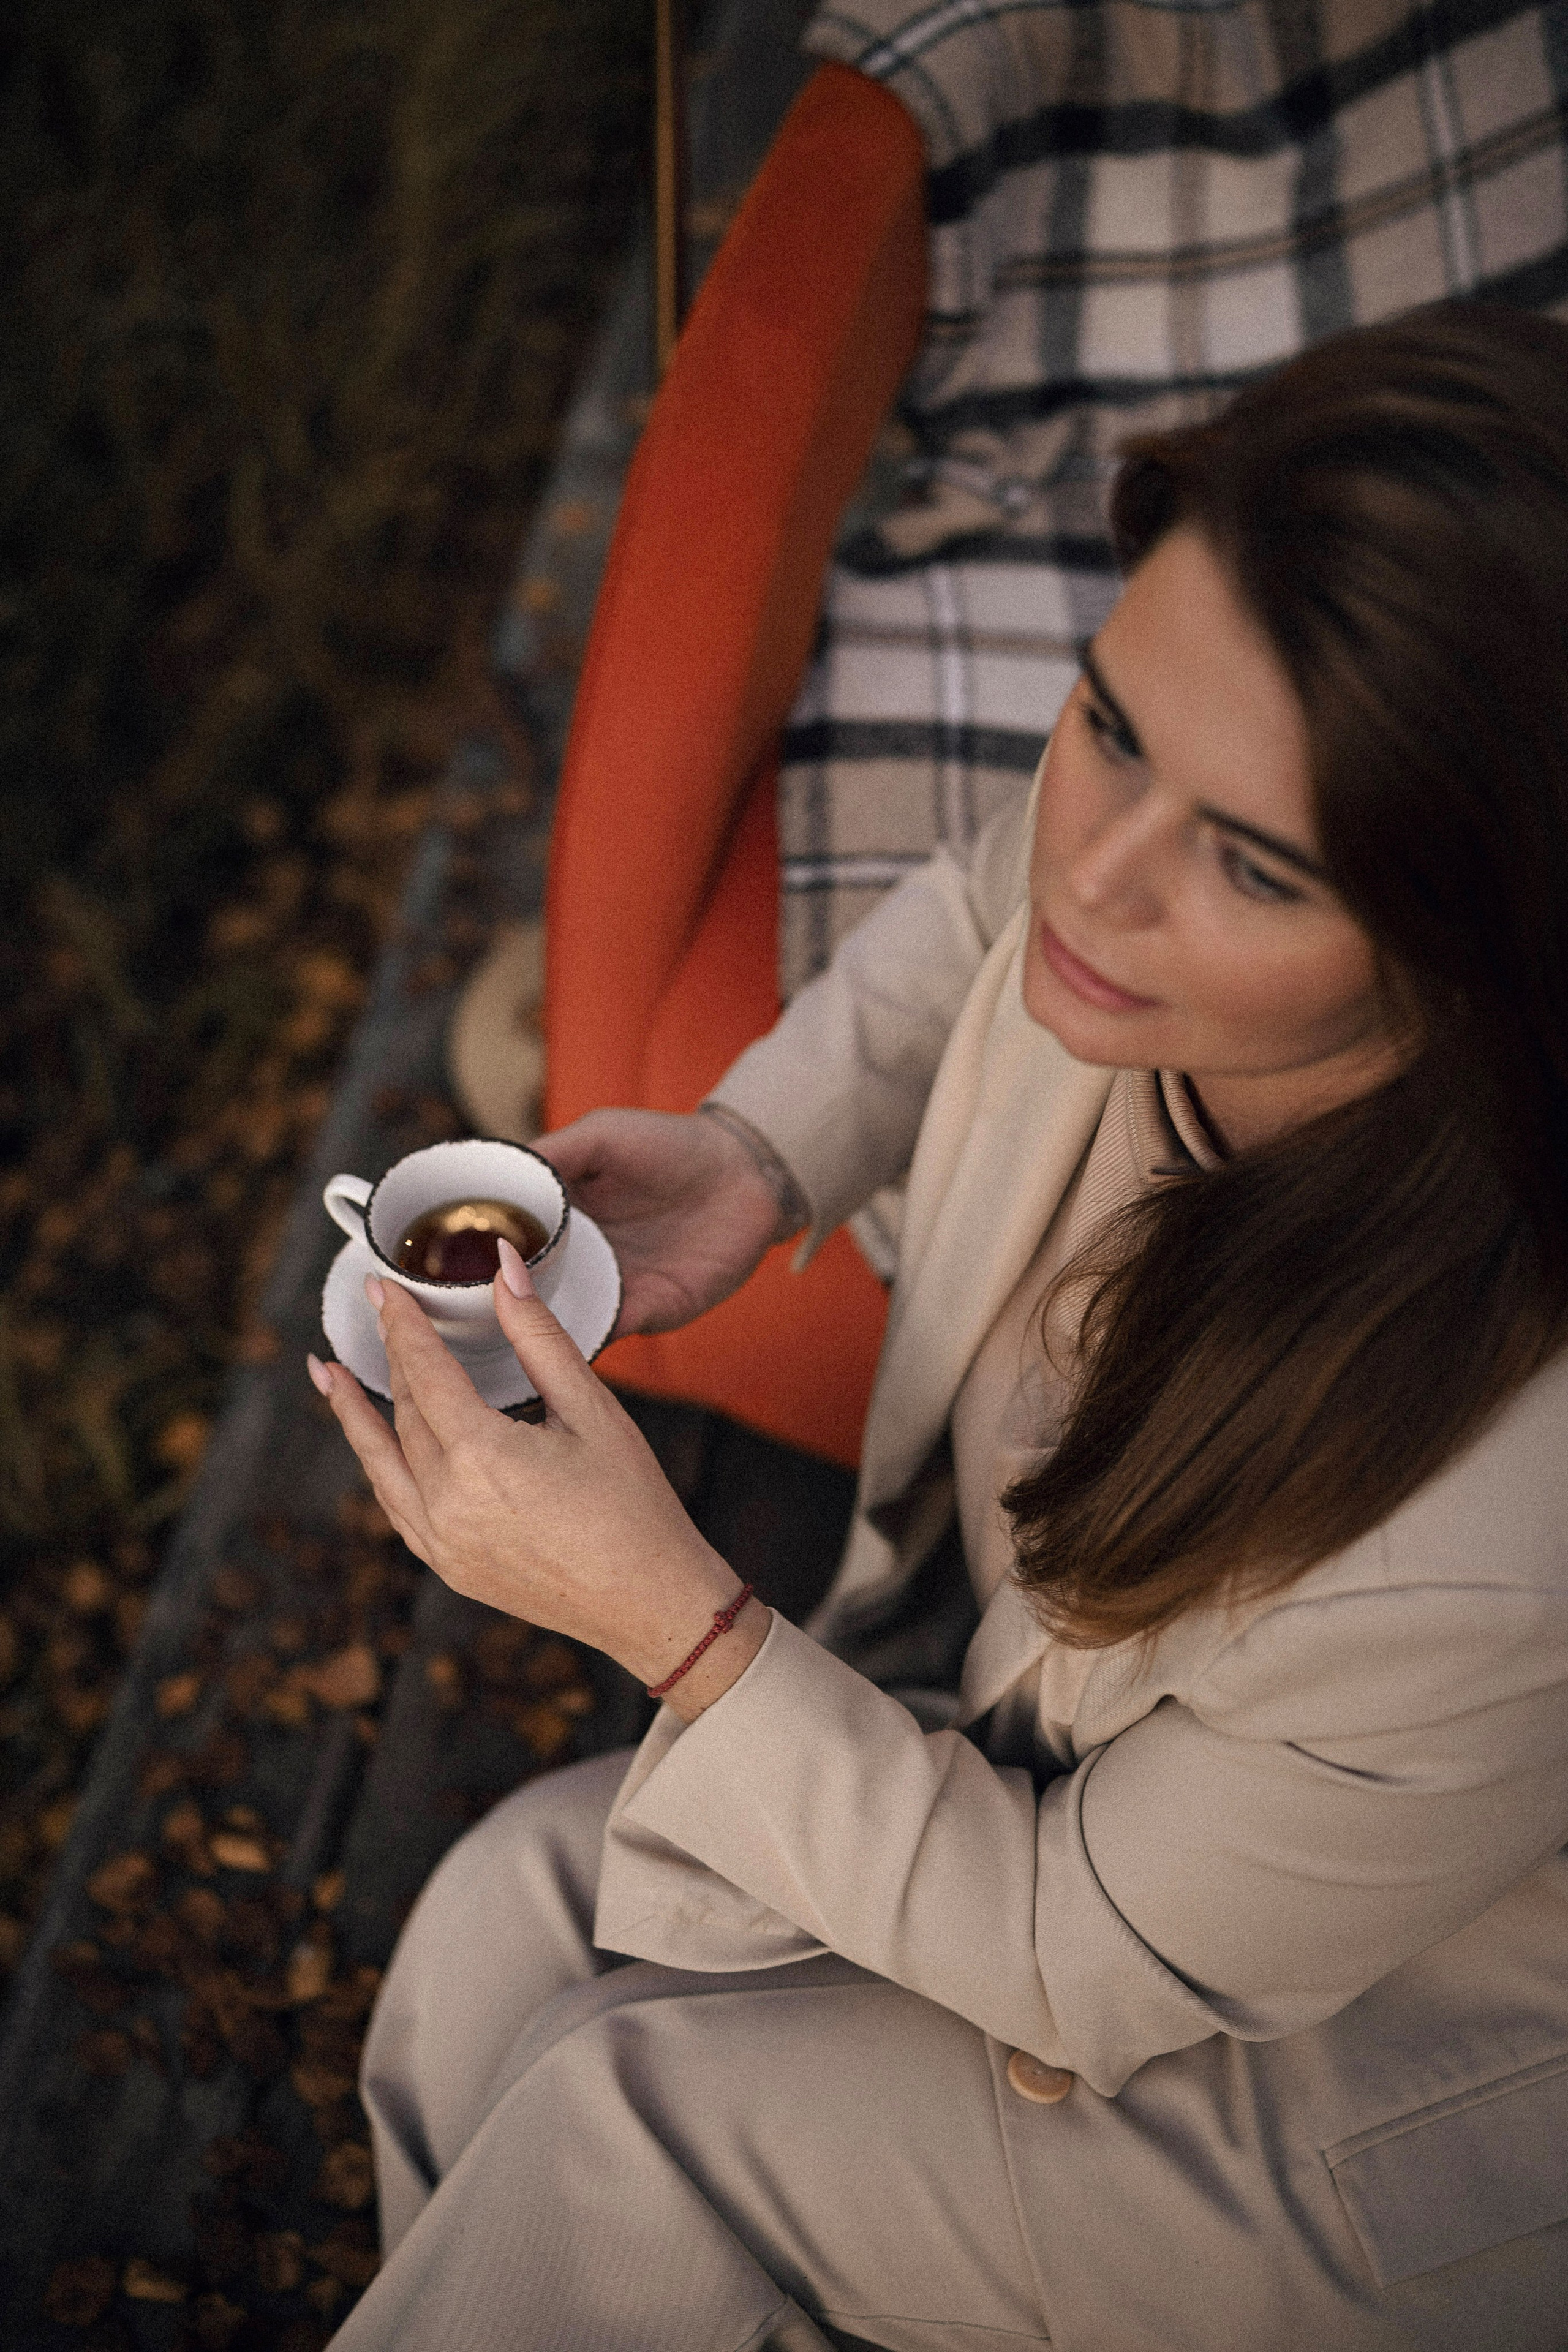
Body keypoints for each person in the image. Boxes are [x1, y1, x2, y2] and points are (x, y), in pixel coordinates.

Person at [310, 305, 1568, 2352]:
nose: (1104, 866)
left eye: (1250, 864)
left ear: (1487, 949)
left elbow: (1081, 1950)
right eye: (1112, 724)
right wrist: (758, 1153)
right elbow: (997, 903)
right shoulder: (1122, 898)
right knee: (489, 1936)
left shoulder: (1509, 1533)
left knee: (624, 2128)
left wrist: (684, 1628)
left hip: (1357, 2073)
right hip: (1019, 1786)